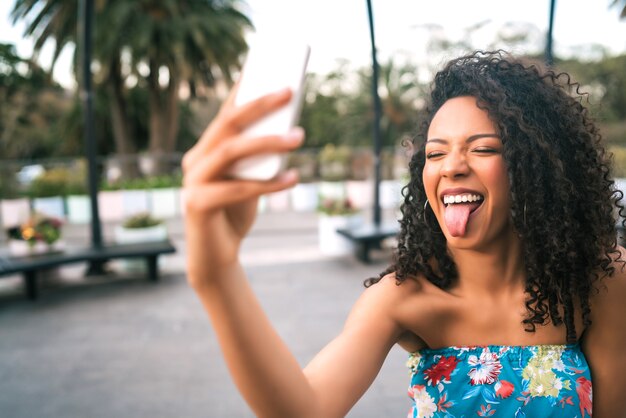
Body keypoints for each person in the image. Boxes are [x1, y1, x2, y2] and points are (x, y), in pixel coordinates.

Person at [181, 50, 626, 417]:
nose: (452, 166)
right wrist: (217, 274)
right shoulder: (404, 297)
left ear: (540, 170)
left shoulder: (600, 281)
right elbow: (304, 409)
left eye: (484, 148)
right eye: (435, 153)